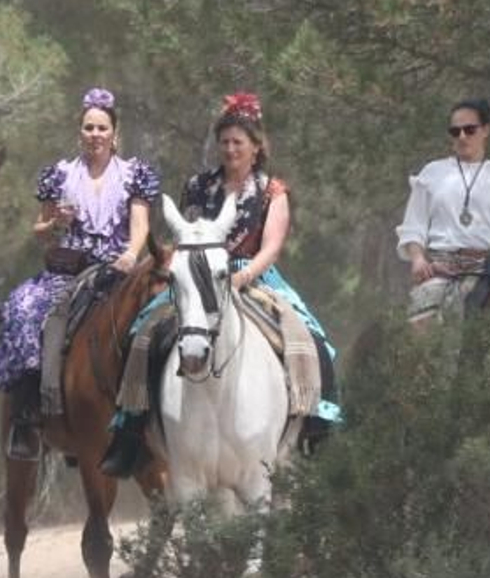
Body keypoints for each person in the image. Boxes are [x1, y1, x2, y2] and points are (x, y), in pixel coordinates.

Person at [100, 90, 339, 477]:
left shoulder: (272, 191)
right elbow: (185, 234)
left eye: (238, 143)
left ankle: (316, 427)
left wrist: (243, 274)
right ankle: (132, 429)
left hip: (253, 274)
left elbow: (272, 246)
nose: (230, 149)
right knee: (143, 332)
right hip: (198, 275)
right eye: (224, 142)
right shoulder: (198, 186)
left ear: (256, 147)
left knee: (311, 337)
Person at [0, 87, 160, 461]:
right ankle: (30, 412)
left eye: (102, 128)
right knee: (22, 308)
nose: (95, 135)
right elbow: (39, 231)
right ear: (79, 132)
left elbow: (141, 223)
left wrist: (132, 254)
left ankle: (157, 410)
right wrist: (54, 223)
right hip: (70, 269)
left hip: (120, 268)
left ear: (115, 133)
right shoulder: (60, 175)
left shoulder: (136, 174)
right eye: (88, 128)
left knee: (165, 313)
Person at [396, 98, 490, 324]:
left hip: (486, 274)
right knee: (420, 330)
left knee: (475, 325)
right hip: (439, 269)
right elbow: (414, 226)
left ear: (485, 130)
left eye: (469, 130)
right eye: (455, 131)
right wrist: (418, 259)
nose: (462, 137)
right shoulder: (431, 173)